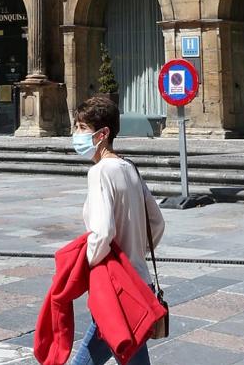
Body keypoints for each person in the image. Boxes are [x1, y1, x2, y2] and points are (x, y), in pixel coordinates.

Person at [69, 95, 165, 365]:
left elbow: (102, 233)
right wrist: (136, 250)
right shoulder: (129, 167)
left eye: (82, 128)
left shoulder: (100, 172)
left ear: (103, 134)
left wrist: (87, 264)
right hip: (139, 281)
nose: (76, 134)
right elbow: (157, 222)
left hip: (117, 287)